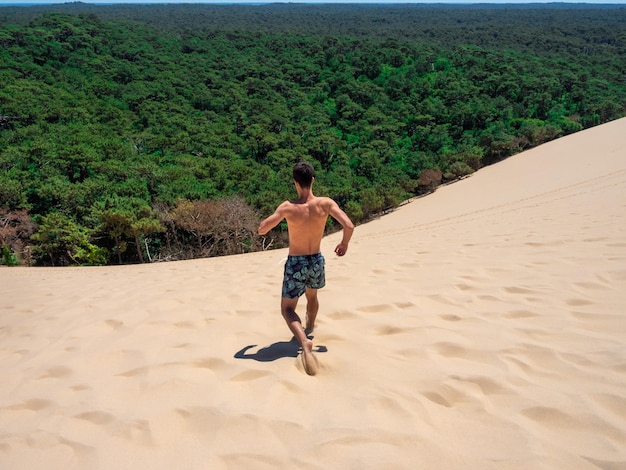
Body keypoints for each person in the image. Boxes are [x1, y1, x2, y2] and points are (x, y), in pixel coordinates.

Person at [258, 161, 354, 375]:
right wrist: (344, 243)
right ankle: (310, 326)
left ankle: (303, 340)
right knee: (312, 296)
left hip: (296, 263)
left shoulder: (288, 208)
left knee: (287, 309)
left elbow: (262, 230)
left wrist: (275, 217)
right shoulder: (326, 204)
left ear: (295, 183)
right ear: (312, 180)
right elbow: (349, 225)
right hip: (316, 260)